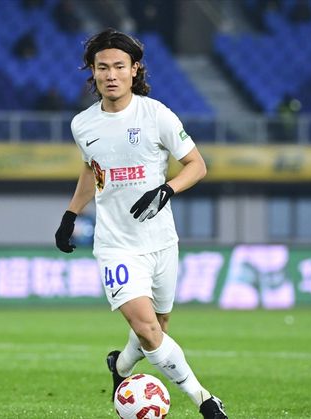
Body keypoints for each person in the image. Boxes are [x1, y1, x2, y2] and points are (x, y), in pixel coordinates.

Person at [54, 29, 228, 418]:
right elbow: (92, 170)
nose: (110, 75)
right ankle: (205, 400)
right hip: (116, 245)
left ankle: (119, 366)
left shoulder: (156, 115)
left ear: (135, 69)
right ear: (92, 72)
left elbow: (197, 165)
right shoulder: (83, 124)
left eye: (119, 66)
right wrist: (71, 214)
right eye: (102, 67)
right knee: (149, 332)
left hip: (161, 242)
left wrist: (167, 190)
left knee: (157, 329)